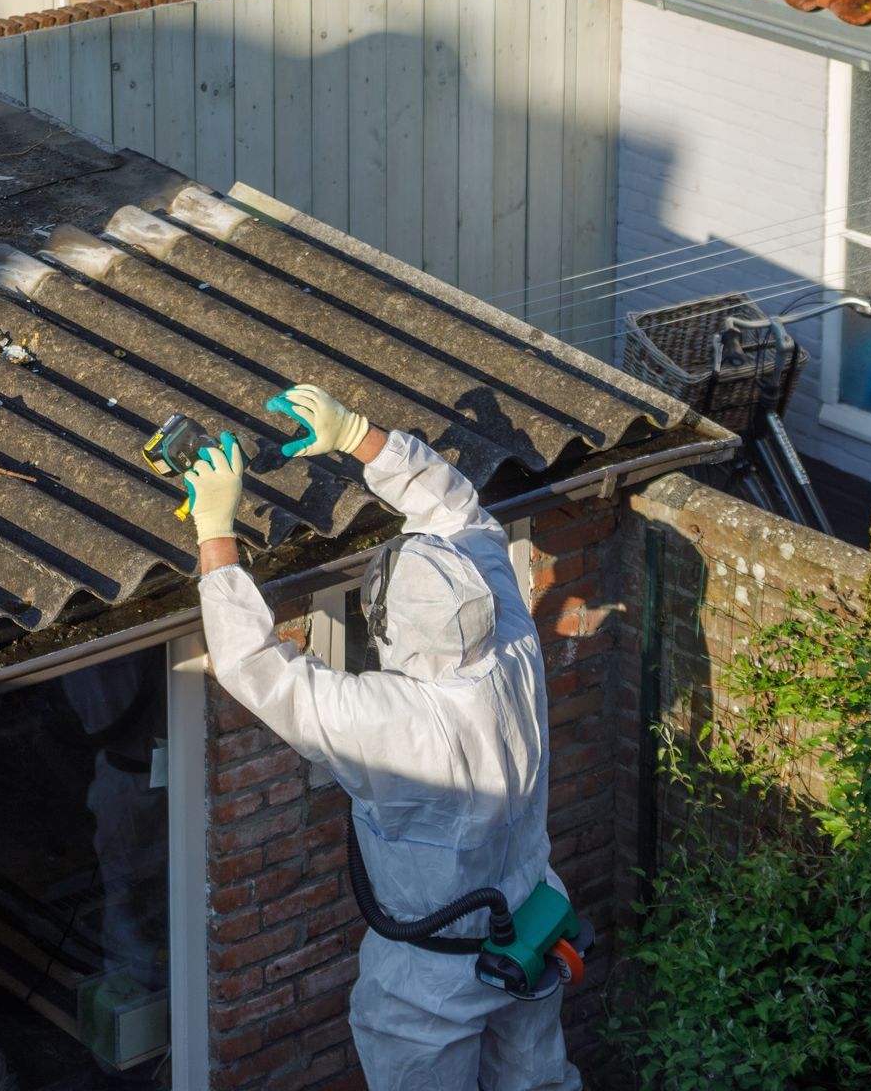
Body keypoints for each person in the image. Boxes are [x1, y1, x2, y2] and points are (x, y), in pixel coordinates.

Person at [181, 384, 582, 1091]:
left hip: (432, 973)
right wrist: (360, 434)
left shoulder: (392, 722)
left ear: (387, 628)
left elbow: (254, 667)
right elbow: (461, 513)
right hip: (529, 926)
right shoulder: (513, 643)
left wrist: (217, 532)